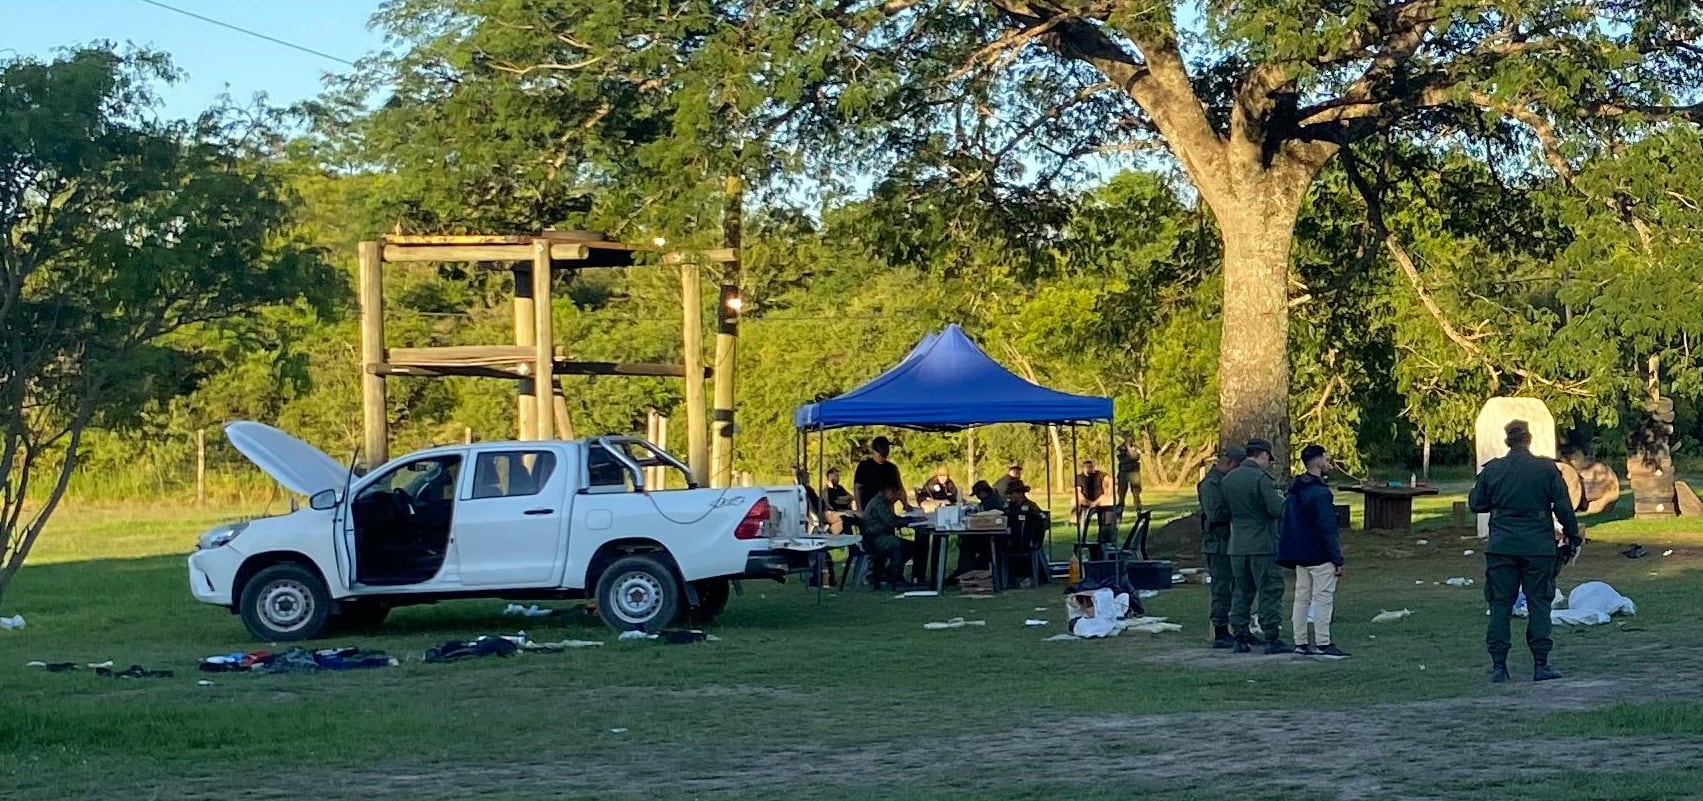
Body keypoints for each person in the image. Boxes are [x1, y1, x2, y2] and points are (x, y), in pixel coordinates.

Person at [1470, 419, 1580, 683]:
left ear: (1507, 441)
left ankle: (1499, 666)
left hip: (1502, 546)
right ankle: (1541, 664)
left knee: (1500, 604)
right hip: (1538, 546)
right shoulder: (1546, 469)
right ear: (1529, 439)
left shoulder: (1493, 470)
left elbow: (1476, 503)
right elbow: (1563, 506)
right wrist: (1573, 536)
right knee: (1539, 603)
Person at [1279, 445, 1347, 658]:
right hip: (1319, 553)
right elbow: (1327, 528)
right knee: (1323, 598)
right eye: (1325, 459)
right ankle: (1323, 642)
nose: (1327, 462)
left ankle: (1300, 641)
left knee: (1302, 598)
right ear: (1317, 462)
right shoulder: (1320, 493)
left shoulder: (1295, 490)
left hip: (1300, 553)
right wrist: (1337, 558)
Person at [1222, 438, 1288, 654]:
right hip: (1262, 544)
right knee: (1270, 590)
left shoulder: (1229, 479)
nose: (1269, 463)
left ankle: (1240, 636)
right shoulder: (1261, 478)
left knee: (1241, 592)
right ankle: (1271, 636)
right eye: (1268, 458)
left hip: (1237, 545)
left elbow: (1224, 510)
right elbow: (1276, 509)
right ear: (1263, 455)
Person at [1196, 444, 1244, 649]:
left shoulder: (1224, 482)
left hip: (1231, 541)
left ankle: (1239, 627)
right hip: (1218, 543)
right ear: (1229, 463)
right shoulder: (1211, 484)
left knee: (1237, 586)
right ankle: (1220, 630)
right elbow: (1215, 514)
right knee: (1222, 587)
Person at [859, 485, 914, 591]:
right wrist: (909, 521)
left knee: (906, 546)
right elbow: (890, 522)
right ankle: (893, 574)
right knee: (906, 546)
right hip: (876, 538)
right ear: (889, 492)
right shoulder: (879, 503)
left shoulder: (881, 501)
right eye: (896, 495)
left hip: (878, 536)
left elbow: (892, 518)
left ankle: (892, 573)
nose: (896, 499)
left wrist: (908, 519)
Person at [1002, 481, 1049, 585]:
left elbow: (1044, 522)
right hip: (1010, 541)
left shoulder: (1031, 507)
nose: (1009, 496)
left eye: (1011, 493)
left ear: (1020, 493)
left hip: (1027, 543)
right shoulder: (1008, 508)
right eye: (1008, 494)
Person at [1074, 459, 1115, 548]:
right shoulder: (1079, 478)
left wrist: (1109, 491)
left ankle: (1102, 540)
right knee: (1084, 520)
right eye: (1088, 467)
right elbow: (1078, 492)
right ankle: (1082, 539)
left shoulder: (1099, 474)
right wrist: (1089, 503)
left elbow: (1110, 479)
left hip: (1100, 501)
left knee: (1105, 520)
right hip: (1087, 502)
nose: (1091, 469)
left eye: (1092, 467)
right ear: (1084, 468)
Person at [1115, 437, 1142, 514]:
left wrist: (1129, 448)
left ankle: (1138, 510)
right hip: (1124, 472)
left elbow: (1135, 456)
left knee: (1136, 493)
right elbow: (1121, 459)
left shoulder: (1136, 448)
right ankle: (1119, 511)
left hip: (1134, 472)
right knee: (1121, 494)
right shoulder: (1120, 449)